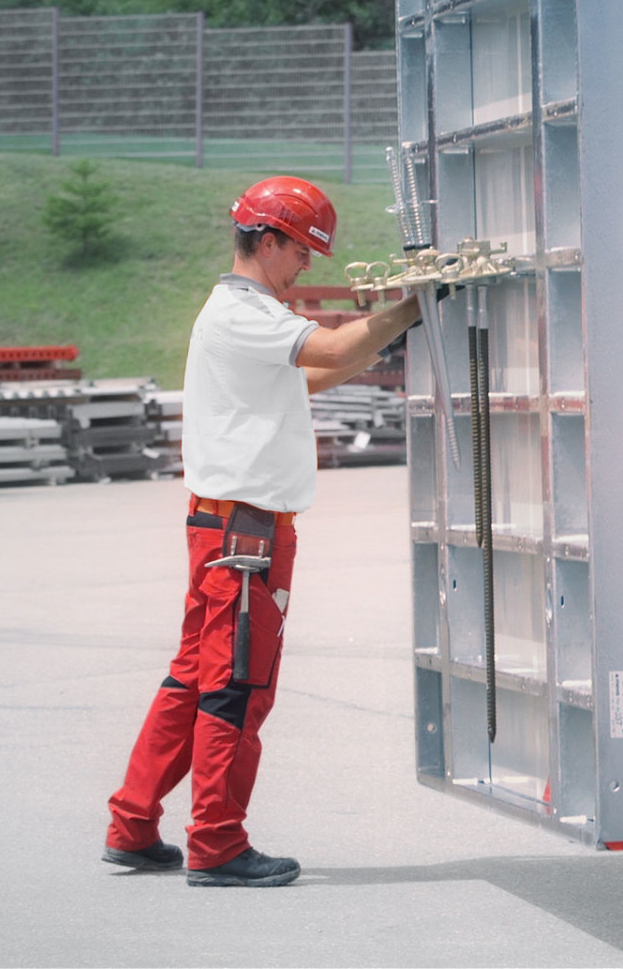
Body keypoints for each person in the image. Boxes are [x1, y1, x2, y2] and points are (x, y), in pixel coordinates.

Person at [102, 176, 422, 887]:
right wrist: (414, 308)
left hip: (221, 529)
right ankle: (216, 842)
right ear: (267, 240)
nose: (307, 265)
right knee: (236, 686)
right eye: (302, 250)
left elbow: (316, 372)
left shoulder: (245, 314)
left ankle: (132, 824)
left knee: (192, 679)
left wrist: (384, 335)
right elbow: (335, 352)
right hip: (245, 539)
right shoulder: (243, 314)